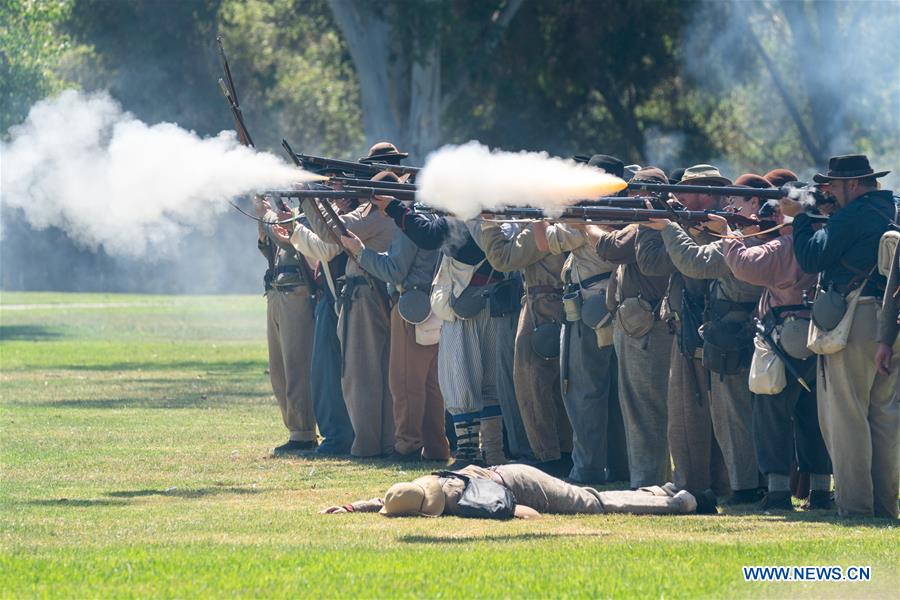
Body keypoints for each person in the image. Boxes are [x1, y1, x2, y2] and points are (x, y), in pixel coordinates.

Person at [781, 154, 899, 518]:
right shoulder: (890, 208)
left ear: (851, 185)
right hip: (888, 323)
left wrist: (799, 217)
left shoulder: (853, 214)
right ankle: (883, 505)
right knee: (883, 418)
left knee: (846, 417)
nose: (829, 190)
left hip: (856, 319)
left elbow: (813, 256)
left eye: (833, 185)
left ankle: (855, 506)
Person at [641, 172, 765, 505]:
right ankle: (750, 484)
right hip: (733, 331)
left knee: (734, 415)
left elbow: (695, 263)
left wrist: (668, 227)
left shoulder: (750, 240)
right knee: (735, 415)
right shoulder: (750, 236)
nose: (730, 204)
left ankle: (746, 487)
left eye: (737, 200)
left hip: (733, 332)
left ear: (755, 203)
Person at [710, 184, 833, 511]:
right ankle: (821, 491)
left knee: (771, 415)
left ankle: (778, 493)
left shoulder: (785, 245)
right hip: (817, 337)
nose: (771, 214)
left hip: (782, 340)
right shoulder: (822, 240)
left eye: (775, 209)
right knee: (812, 418)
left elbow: (743, 264)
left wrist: (727, 232)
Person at [373, 197, 510, 466]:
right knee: (489, 385)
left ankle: (469, 454)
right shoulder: (498, 220)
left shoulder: (466, 219)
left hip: (463, 307)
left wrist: (394, 206)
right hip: (489, 306)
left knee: (460, 381)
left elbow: (428, 236)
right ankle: (493, 452)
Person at [272, 174, 398, 458]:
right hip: (338, 297)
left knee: (355, 374)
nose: (338, 193)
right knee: (335, 375)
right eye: (333, 188)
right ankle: (349, 438)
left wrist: (307, 204)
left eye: (341, 188)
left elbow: (326, 245)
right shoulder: (350, 215)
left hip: (357, 297)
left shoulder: (363, 217)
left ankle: (354, 440)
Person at [634, 165, 734, 503]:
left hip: (710, 329)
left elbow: (673, 262)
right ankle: (702, 482)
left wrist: (664, 227)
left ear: (706, 193)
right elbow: (654, 263)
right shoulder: (699, 224)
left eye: (686, 190)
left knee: (705, 416)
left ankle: (709, 484)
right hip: (693, 326)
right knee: (689, 416)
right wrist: (660, 225)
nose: (677, 196)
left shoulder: (718, 228)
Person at [339, 187, 451, 463]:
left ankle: (407, 445)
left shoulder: (410, 225)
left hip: (410, 308)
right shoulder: (435, 219)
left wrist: (361, 252)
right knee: (430, 384)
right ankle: (436, 446)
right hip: (432, 306)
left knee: (403, 383)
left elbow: (393, 270)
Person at [593, 167, 673, 489]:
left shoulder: (649, 220)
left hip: (647, 327)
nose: (627, 200)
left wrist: (587, 227)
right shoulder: (649, 220)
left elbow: (610, 248)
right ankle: (648, 478)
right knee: (641, 407)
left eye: (632, 194)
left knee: (645, 409)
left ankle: (647, 482)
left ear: (643, 194)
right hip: (640, 323)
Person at [471, 220, 573, 474]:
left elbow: (502, 259)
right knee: (547, 385)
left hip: (542, 305)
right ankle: (558, 451)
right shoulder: (555, 223)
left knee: (532, 382)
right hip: (549, 302)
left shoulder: (541, 224)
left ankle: (547, 454)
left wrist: (488, 223)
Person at [533, 219, 629, 484]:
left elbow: (542, 242)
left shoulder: (583, 222)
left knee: (583, 393)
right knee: (613, 396)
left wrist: (537, 213)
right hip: (609, 311)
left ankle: (587, 469)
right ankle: (621, 467)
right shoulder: (618, 217)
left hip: (587, 314)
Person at [321, 463, 705, 518]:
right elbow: (389, 499)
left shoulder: (457, 501)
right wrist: (353, 507)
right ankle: (657, 490)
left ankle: (675, 502)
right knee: (587, 495)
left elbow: (524, 513)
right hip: (511, 472)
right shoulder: (432, 483)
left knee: (594, 504)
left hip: (523, 487)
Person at [254, 196, 317, 455]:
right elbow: (273, 247)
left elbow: (287, 239)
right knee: (279, 369)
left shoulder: (310, 215)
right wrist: (264, 224)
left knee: (296, 366)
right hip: (278, 293)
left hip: (297, 295)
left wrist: (267, 217)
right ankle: (295, 430)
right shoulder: (292, 215)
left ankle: (303, 433)